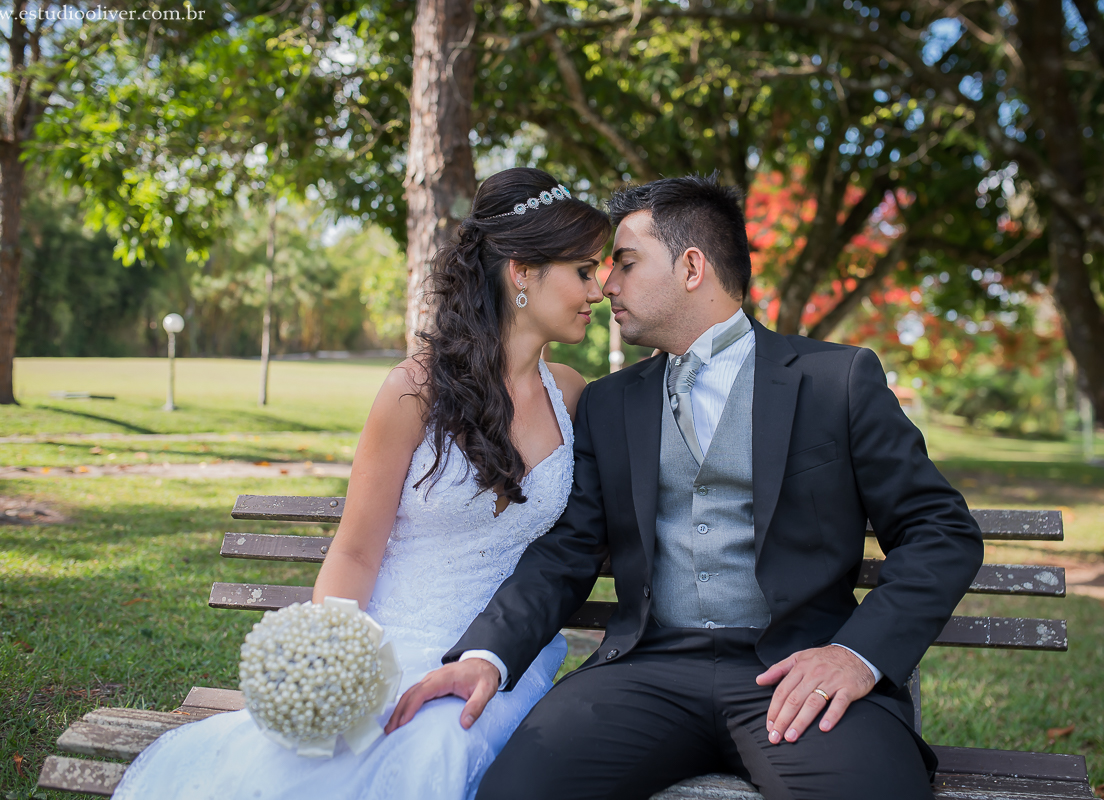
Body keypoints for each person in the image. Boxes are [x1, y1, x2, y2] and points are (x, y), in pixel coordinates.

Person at [388, 174, 986, 800]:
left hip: (794, 674)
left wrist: (854, 655)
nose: (606, 284)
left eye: (624, 262)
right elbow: (567, 551)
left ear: (692, 266)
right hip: (646, 674)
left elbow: (940, 532)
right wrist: (486, 655)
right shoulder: (609, 403)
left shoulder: (835, 380)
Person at [110, 168, 611, 800]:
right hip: (392, 639)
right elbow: (355, 549)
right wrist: (328, 659)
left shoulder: (571, 393)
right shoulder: (414, 390)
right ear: (521, 271)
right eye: (583, 270)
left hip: (501, 656)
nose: (599, 288)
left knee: (437, 744)